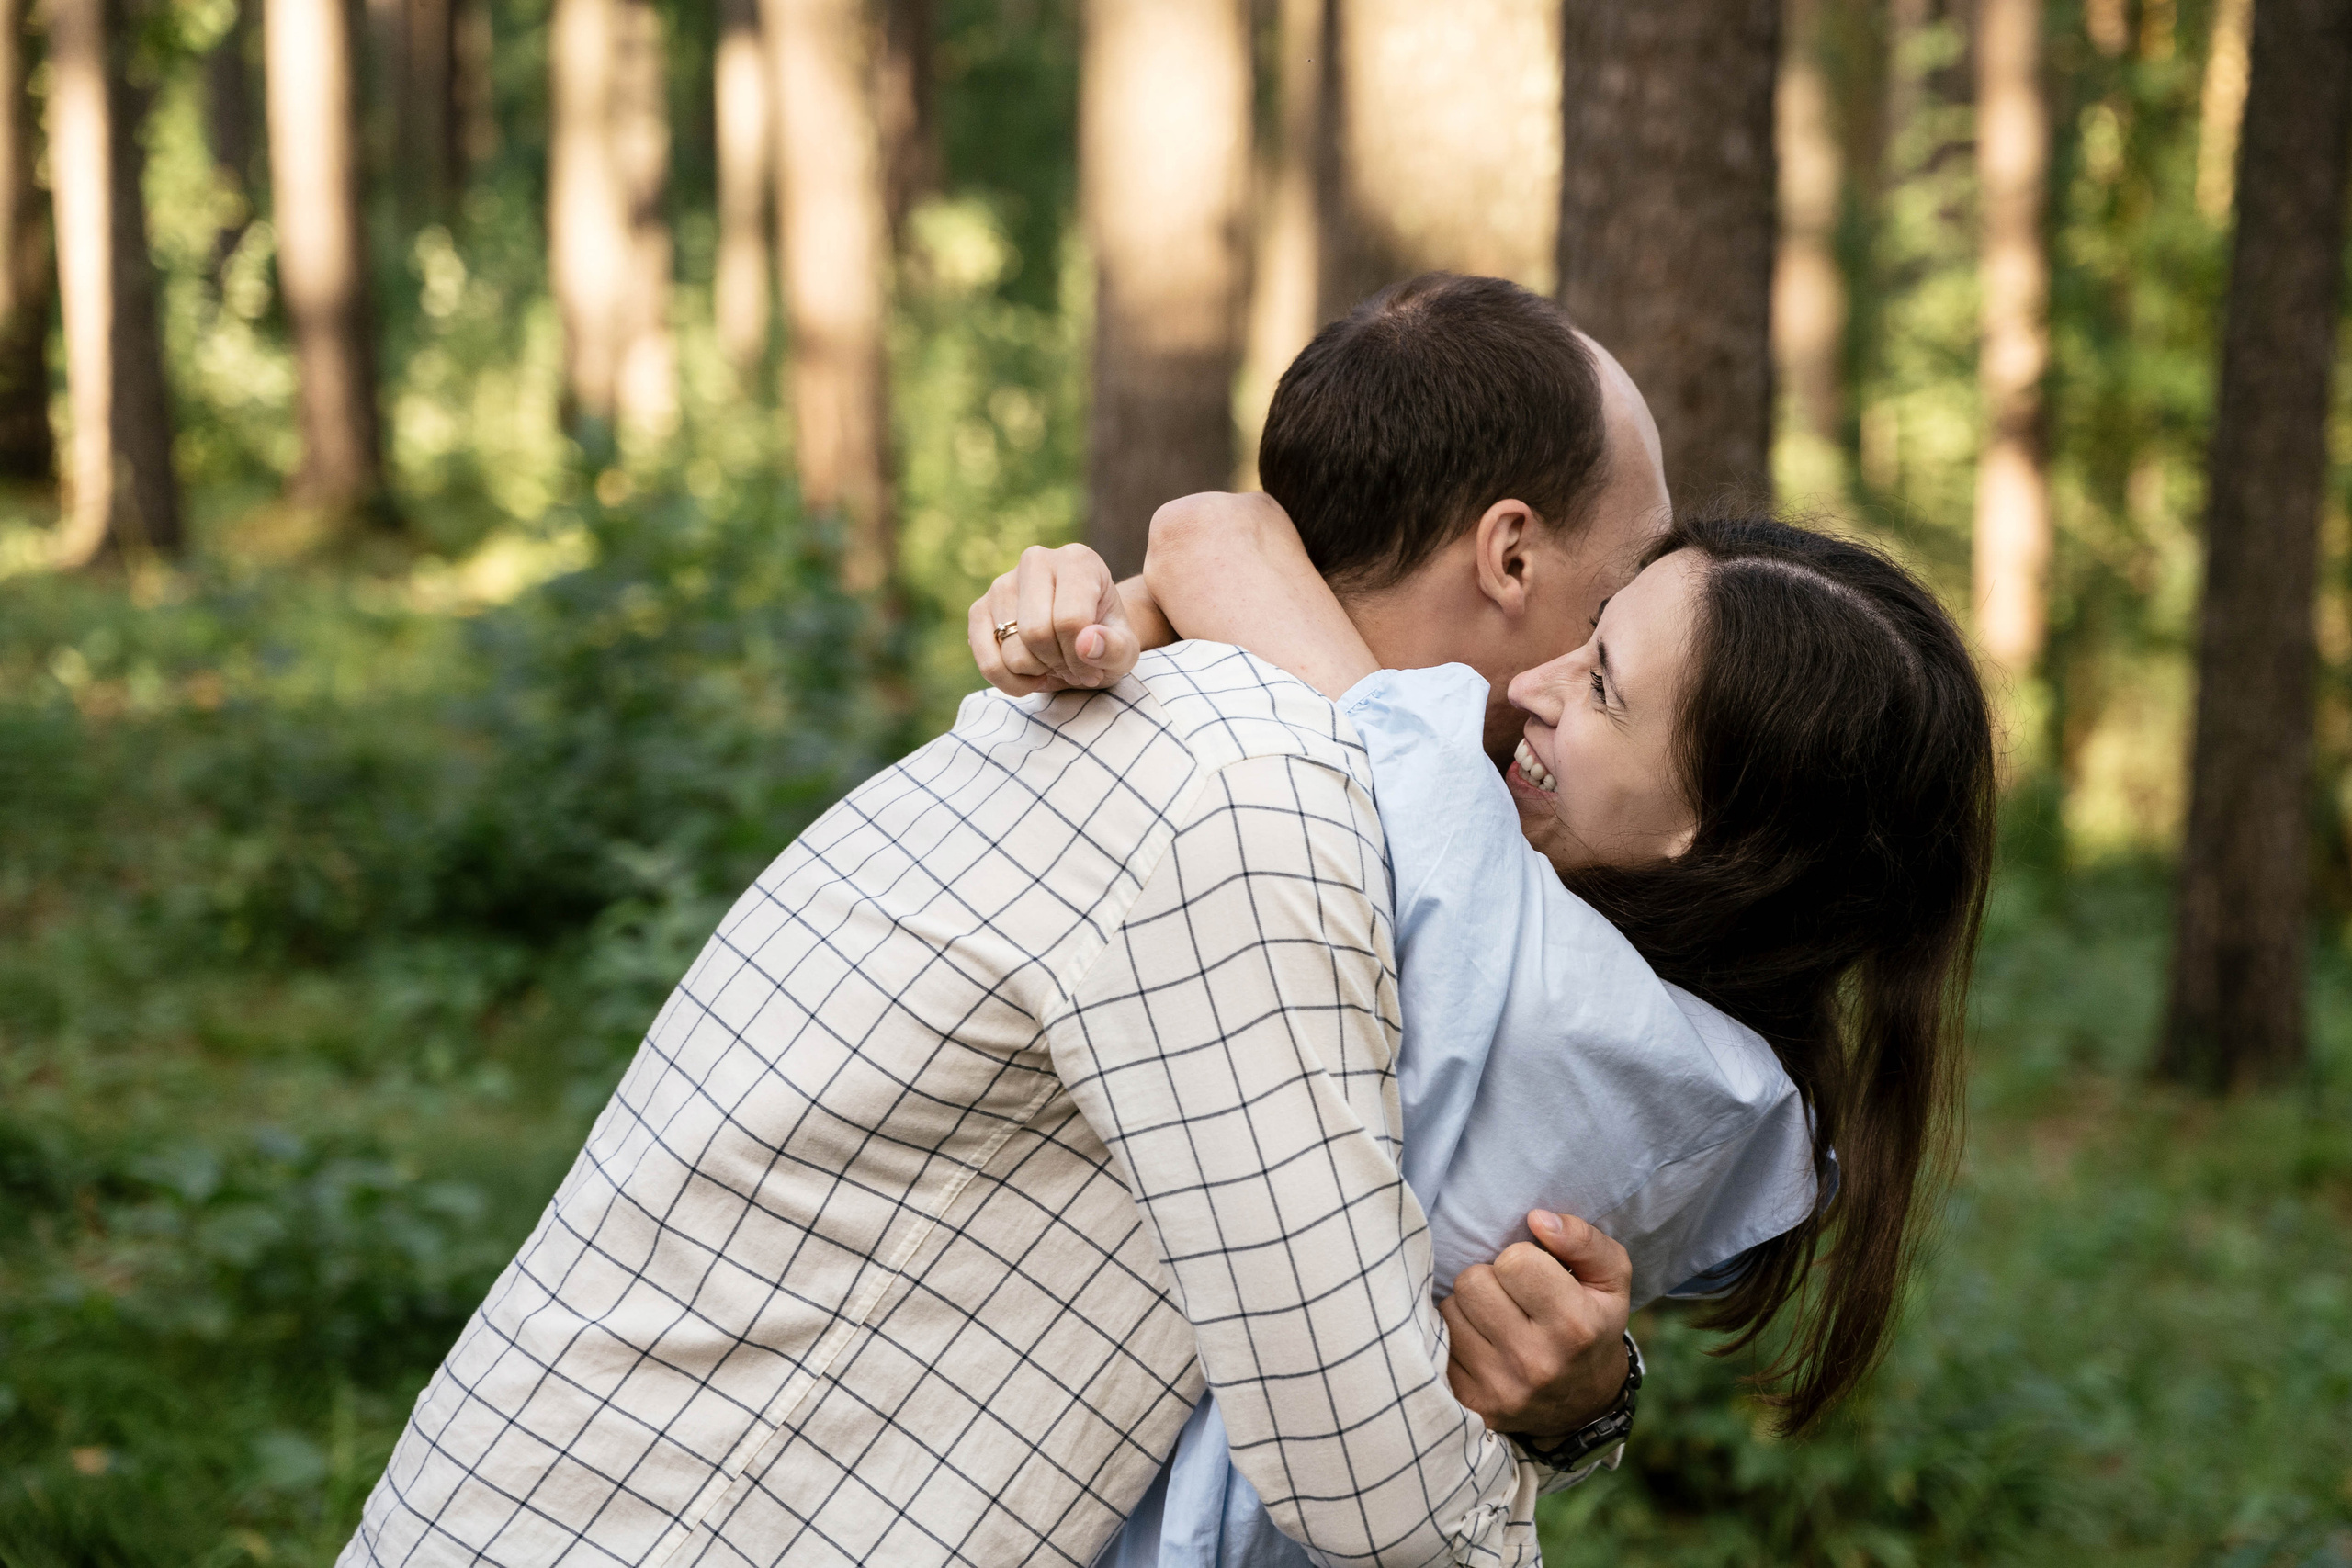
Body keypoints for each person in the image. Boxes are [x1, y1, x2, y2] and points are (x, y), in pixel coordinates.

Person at [339, 273, 1668, 1568]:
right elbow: (1373, 1489)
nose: (1599, 665)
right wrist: (1533, 1464)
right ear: (1507, 553)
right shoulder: (1255, 795)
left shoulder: (1218, 735)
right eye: (1615, 603)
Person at [975, 494, 1996, 1566]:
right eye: (1589, 633)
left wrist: (1119, 610)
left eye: (1601, 686)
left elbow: (1203, 535)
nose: (1528, 686)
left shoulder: (1479, 895)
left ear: (1721, 833)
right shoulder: (1741, 1094)